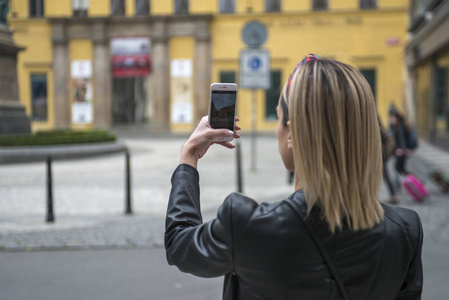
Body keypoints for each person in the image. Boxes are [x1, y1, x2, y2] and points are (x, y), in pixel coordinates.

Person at [165, 55, 423, 299]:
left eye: (278, 117)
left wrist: (189, 157)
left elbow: (179, 244)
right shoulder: (405, 232)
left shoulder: (248, 226)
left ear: (291, 133)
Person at [388, 106, 411, 176]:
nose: (391, 119)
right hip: (401, 151)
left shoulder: (399, 128)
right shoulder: (397, 126)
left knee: (400, 169)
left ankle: (416, 181)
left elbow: (402, 140)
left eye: (392, 118)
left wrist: (402, 150)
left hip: (401, 152)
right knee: (400, 169)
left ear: (396, 119)